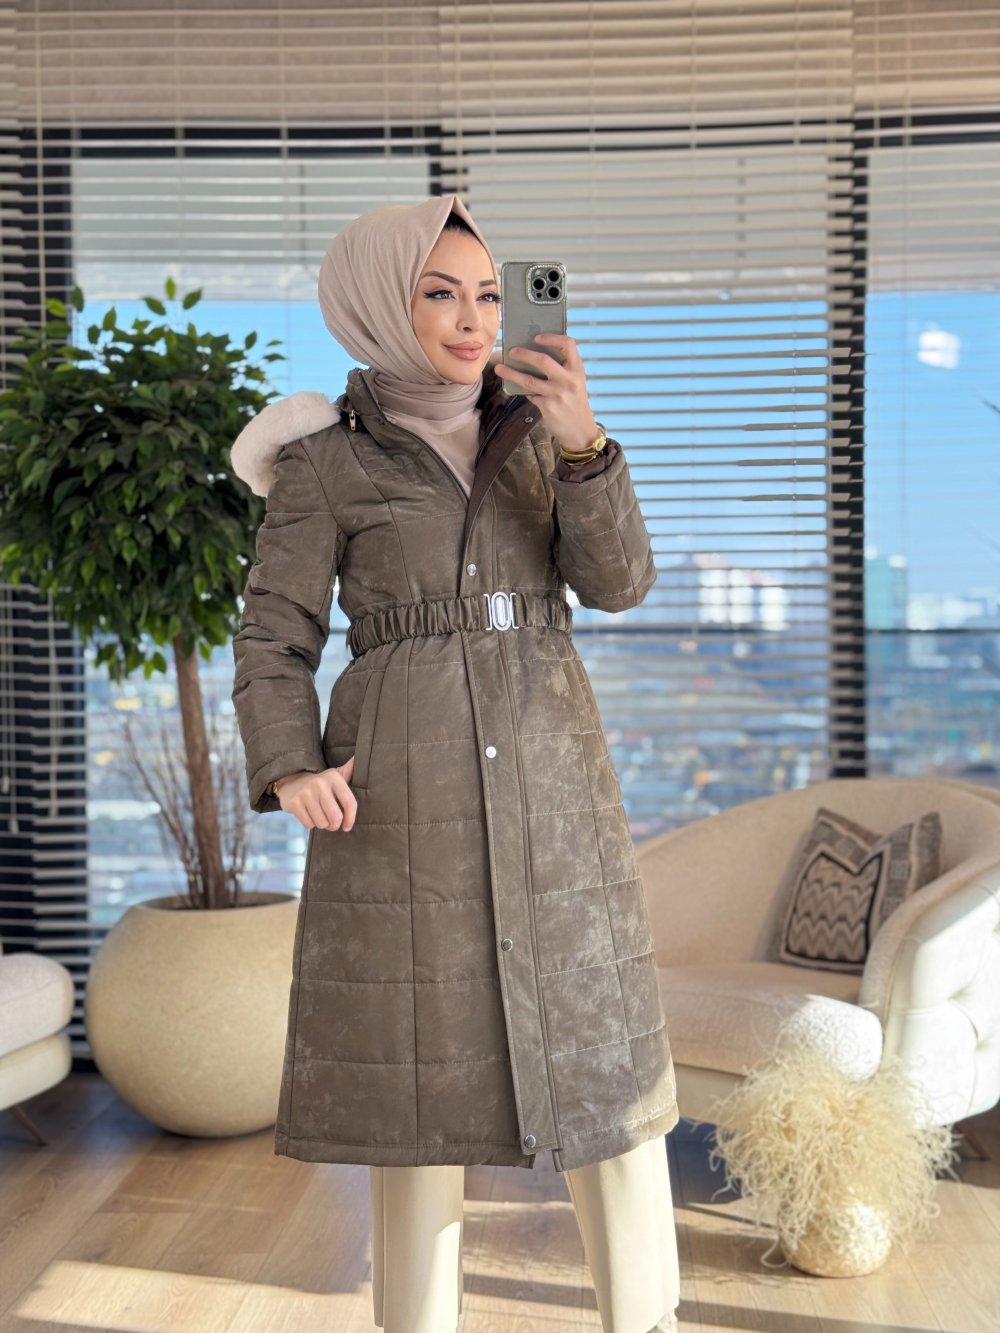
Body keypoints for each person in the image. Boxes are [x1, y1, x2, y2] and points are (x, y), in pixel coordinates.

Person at [230, 194, 681, 1333]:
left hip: (552, 787)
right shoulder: (323, 463)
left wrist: (581, 440)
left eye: (489, 293)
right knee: (416, 1090)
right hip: (400, 798)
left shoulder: (542, 437)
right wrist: (288, 764)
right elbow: (273, 633)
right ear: (380, 304)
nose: (474, 318)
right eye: (440, 292)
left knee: (601, 1073)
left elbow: (619, 583)